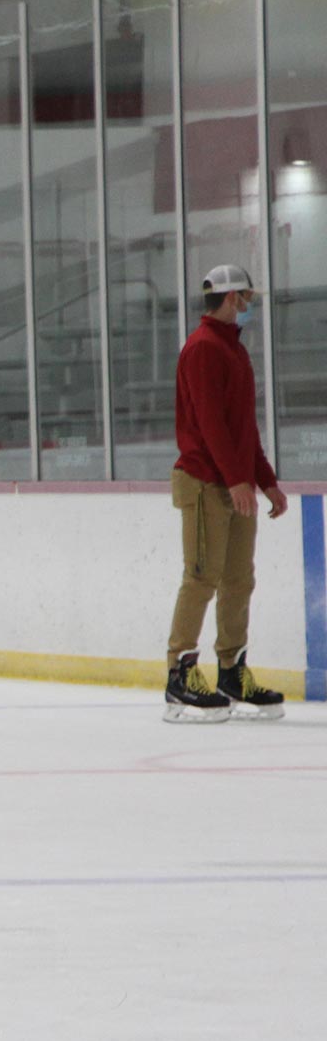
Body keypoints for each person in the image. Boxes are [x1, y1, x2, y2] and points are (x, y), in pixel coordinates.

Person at [164, 265, 287, 723]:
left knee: (239, 579)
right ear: (232, 297)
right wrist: (238, 480)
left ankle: (232, 670)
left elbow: (242, 427)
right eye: (247, 296)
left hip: (235, 482)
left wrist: (265, 478)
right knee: (201, 577)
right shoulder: (202, 350)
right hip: (203, 482)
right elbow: (211, 424)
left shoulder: (234, 351)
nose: (250, 304)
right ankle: (180, 673)